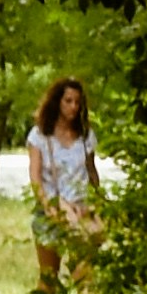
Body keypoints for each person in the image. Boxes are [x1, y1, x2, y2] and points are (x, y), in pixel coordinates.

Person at [30, 75, 102, 280]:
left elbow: (91, 172)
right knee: (49, 277)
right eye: (68, 101)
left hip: (81, 207)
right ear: (57, 102)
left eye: (77, 102)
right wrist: (48, 206)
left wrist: (97, 201)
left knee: (86, 267)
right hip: (52, 206)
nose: (73, 107)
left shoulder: (86, 135)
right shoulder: (40, 136)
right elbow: (35, 177)